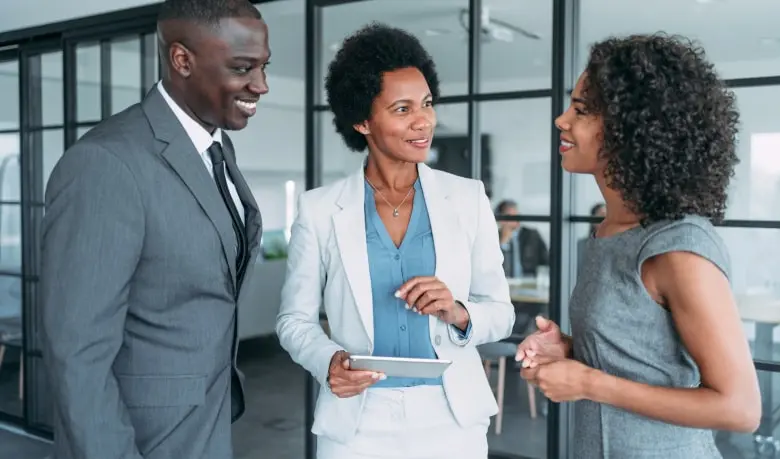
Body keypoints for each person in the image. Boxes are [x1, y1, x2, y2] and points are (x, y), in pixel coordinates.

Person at [40, 1, 269, 458]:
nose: (260, 85)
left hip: (208, 420)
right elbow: (77, 355)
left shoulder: (217, 148)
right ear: (182, 60)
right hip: (142, 438)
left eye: (263, 67)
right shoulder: (105, 164)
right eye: (243, 68)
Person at [276, 23, 515, 459]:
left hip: (451, 418)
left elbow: (500, 313)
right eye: (402, 109)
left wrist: (457, 312)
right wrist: (329, 362)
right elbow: (294, 320)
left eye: (426, 103)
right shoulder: (319, 210)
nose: (423, 120)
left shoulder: (466, 198)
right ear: (362, 120)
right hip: (357, 420)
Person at [516, 33, 761, 458]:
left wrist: (588, 382)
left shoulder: (678, 248)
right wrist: (572, 351)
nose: (561, 120)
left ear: (630, 127)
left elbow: (740, 408)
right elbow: (642, 355)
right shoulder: (610, 230)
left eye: (580, 110)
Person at [494, 199, 549, 278]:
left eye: (517, 214)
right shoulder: (495, 237)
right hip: (504, 284)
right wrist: (503, 243)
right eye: (510, 216)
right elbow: (493, 265)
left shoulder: (532, 235)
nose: (516, 219)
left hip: (529, 283)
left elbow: (546, 261)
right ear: (501, 220)